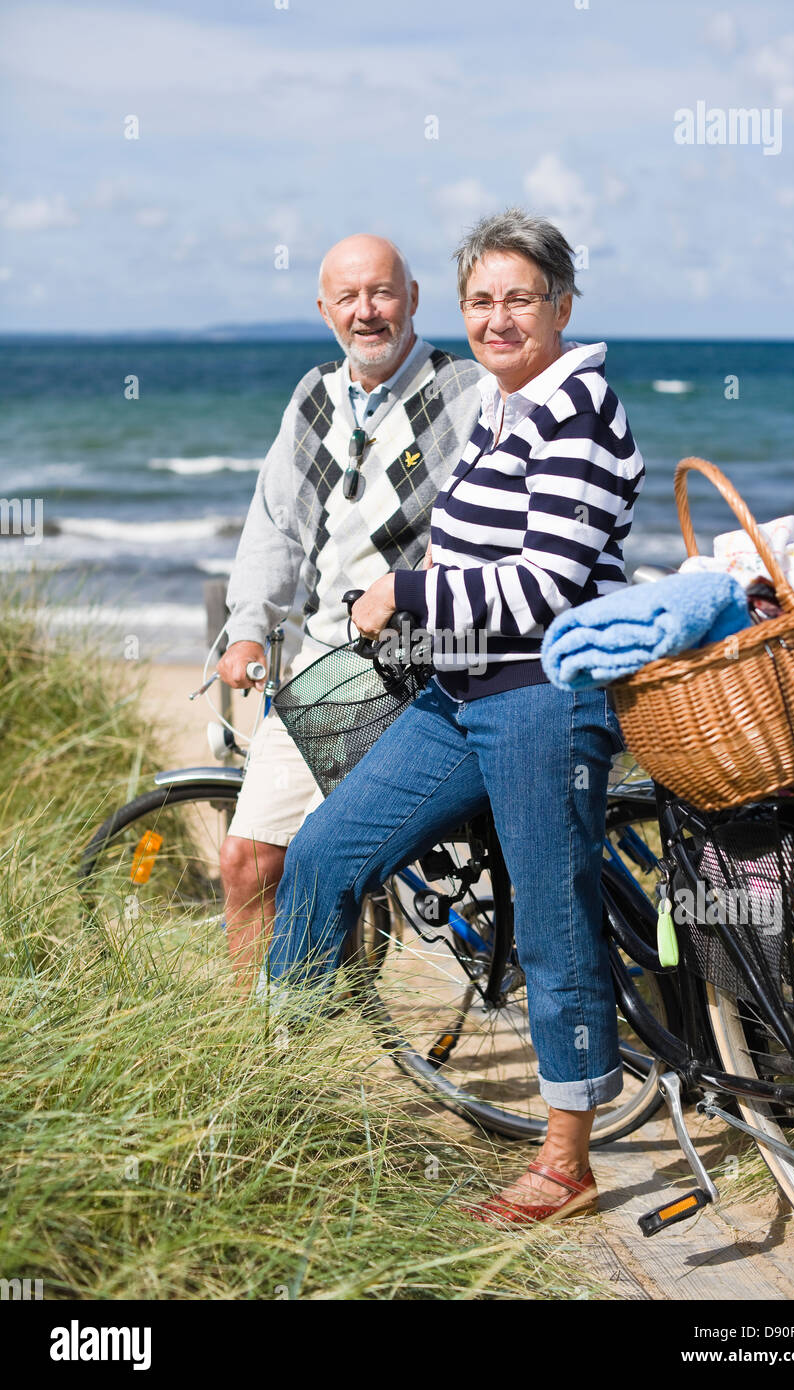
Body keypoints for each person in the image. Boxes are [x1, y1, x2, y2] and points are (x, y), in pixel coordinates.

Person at [267, 208, 645, 1224]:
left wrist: (408, 592)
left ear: (561, 305)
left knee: (554, 924)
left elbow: (548, 586)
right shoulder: (497, 406)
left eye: (520, 297)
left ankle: (564, 1164)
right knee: (323, 852)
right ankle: (274, 1086)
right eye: (481, 299)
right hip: (456, 693)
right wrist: (427, 580)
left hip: (538, 695)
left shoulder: (578, 410)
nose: (497, 316)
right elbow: (472, 545)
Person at [218, 233, 483, 987]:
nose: (367, 312)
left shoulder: (463, 390)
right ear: (324, 309)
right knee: (246, 862)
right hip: (324, 670)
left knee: (319, 861)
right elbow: (273, 525)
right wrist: (245, 628)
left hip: (419, 666)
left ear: (414, 298)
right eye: (349, 297)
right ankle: (253, 1054)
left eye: (382, 293)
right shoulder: (313, 398)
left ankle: (302, 1036)